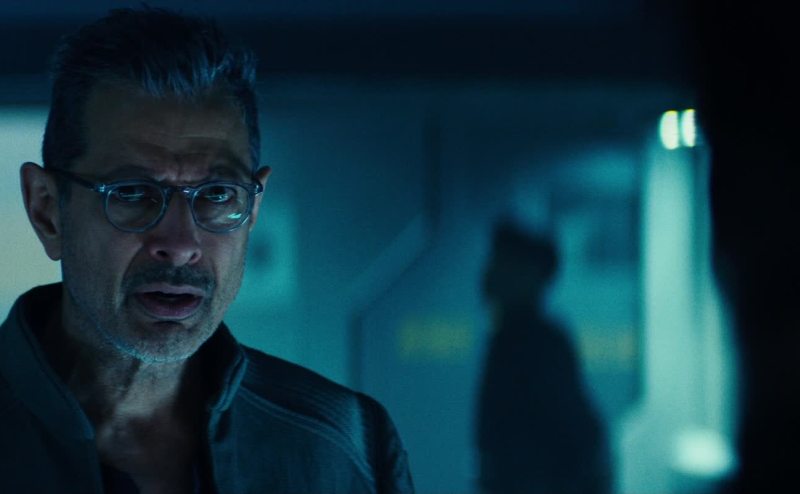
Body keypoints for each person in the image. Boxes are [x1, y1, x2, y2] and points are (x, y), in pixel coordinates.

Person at [0, 8, 413, 494]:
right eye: (132, 193)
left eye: (217, 194)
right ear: (47, 209)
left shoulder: (345, 448)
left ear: (252, 209)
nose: (179, 245)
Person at [475, 221, 611, 494]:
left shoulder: (535, 343)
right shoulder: (511, 339)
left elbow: (572, 431)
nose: (489, 272)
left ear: (530, 274)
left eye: (502, 262)